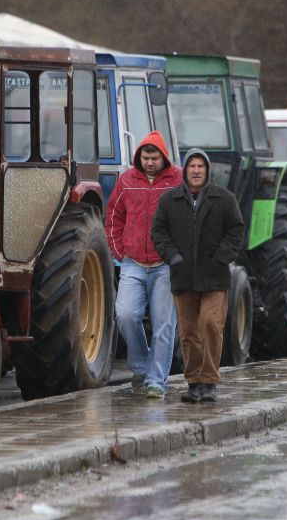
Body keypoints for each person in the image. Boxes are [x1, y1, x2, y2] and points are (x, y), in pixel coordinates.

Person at [151, 148, 245, 403]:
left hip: (214, 278)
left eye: (200, 166)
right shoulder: (170, 201)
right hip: (183, 278)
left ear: (207, 170)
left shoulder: (224, 199)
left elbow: (236, 230)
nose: (195, 170)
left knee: (211, 324)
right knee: (189, 331)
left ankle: (210, 381)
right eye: (191, 166)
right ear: (184, 170)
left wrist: (220, 258)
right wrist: (173, 257)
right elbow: (158, 231)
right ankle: (194, 383)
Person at [105, 131, 183, 400]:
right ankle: (141, 367)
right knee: (125, 315)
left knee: (164, 324)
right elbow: (114, 217)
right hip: (133, 264)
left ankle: (156, 382)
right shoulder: (127, 181)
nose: (149, 163)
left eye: (154, 158)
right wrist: (120, 251)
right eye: (145, 158)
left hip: (165, 266)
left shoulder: (178, 180)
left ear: (164, 157)